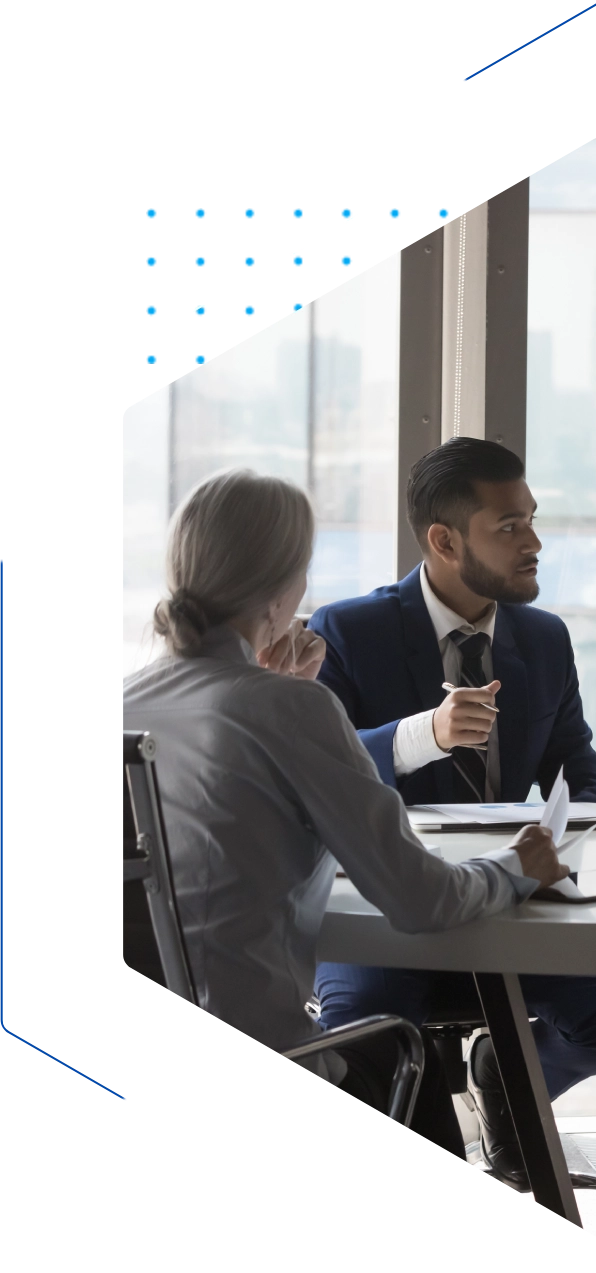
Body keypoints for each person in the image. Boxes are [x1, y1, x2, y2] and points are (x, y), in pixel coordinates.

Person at [120, 469, 570, 1158]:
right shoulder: (285, 708)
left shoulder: (125, 705)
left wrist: (283, 695)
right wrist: (515, 867)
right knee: (403, 1058)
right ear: (286, 585)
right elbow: (421, 901)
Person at [307, 437, 596, 1190]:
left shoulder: (543, 637)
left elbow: (579, 771)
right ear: (443, 540)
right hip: (389, 907)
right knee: (365, 1040)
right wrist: (421, 736)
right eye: (510, 526)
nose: (534, 542)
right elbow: (317, 773)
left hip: (514, 898)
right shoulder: (346, 632)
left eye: (532, 520)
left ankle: (508, 1070)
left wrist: (577, 835)